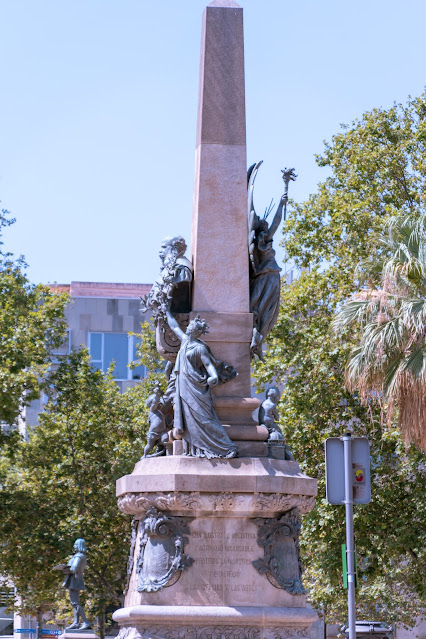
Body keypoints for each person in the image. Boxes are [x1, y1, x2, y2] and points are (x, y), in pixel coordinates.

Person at [165, 310, 238, 459]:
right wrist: (166, 309)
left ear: (195, 330)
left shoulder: (200, 348)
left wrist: (214, 376)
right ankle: (196, 447)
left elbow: (208, 364)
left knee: (205, 419)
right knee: (189, 419)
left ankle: (227, 447)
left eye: (191, 325)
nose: (188, 325)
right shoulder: (185, 340)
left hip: (196, 388)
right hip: (184, 386)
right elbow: (174, 325)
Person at [62, 538, 91, 630]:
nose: (74, 546)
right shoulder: (81, 556)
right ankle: (76, 622)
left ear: (79, 545)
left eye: (75, 544)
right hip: (75, 581)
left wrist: (64, 569)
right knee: (74, 602)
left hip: (74, 581)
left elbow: (74, 569)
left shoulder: (79, 556)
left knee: (75, 602)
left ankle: (86, 622)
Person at [142, 384, 168, 457]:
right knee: (150, 446)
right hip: (154, 432)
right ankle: (145, 454)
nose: (160, 403)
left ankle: (162, 451)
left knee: (165, 439)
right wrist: (157, 395)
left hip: (162, 432)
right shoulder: (153, 410)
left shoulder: (160, 412)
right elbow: (155, 402)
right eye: (158, 402)